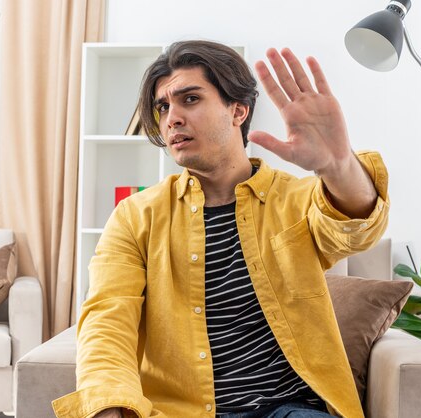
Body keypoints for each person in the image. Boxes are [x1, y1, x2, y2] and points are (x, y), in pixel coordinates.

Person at [53, 40, 389, 418]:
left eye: (190, 99)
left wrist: (339, 165)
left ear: (238, 110)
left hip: (290, 409)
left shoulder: (296, 199)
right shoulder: (135, 216)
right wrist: (106, 405)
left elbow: (356, 228)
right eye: (163, 107)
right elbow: (106, 318)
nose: (171, 118)